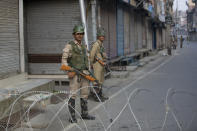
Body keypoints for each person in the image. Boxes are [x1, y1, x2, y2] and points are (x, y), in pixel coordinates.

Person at [61, 25, 95, 123]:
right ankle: (72, 117)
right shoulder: (69, 46)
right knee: (73, 95)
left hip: (84, 74)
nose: (80, 35)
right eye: (78, 34)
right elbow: (64, 60)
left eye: (81, 34)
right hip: (75, 74)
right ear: (74, 35)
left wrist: (89, 69)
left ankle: (84, 114)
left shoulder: (84, 46)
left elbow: (86, 60)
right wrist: (69, 71)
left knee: (85, 94)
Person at [89, 27, 109, 102]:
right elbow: (91, 55)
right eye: (101, 36)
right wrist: (91, 64)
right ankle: (96, 96)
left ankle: (100, 95)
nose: (102, 37)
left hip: (101, 66)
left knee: (100, 81)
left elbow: (103, 54)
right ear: (98, 37)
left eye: (103, 36)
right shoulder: (96, 44)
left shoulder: (101, 44)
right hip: (97, 65)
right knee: (96, 81)